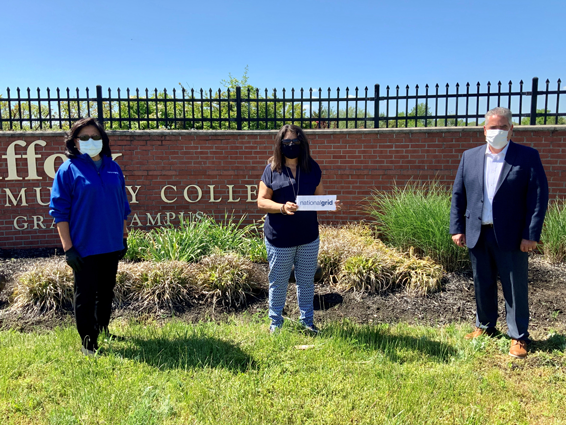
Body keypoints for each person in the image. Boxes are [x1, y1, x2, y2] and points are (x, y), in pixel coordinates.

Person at [449, 107, 548, 358]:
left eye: (503, 127)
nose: (497, 132)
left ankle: (518, 336)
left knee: (515, 286)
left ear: (511, 129)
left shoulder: (526, 157)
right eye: (492, 127)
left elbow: (537, 198)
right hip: (477, 232)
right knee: (482, 281)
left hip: (513, 236)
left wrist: (531, 234)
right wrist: (457, 228)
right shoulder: (469, 157)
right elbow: (458, 196)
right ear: (484, 130)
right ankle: (485, 325)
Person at [49, 117, 131, 356]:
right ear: (75, 142)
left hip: (111, 242)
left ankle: (102, 328)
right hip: (83, 246)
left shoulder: (113, 167)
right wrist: (68, 248)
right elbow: (59, 211)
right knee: (85, 294)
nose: (90, 141)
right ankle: (88, 342)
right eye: (84, 137)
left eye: (95, 137)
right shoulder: (68, 170)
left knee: (106, 290)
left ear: (103, 140)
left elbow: (122, 204)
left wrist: (124, 236)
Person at [258, 124, 340, 334]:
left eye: (295, 142)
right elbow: (261, 202)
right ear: (280, 145)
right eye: (287, 143)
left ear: (302, 144)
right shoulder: (271, 169)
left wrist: (329, 204)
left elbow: (319, 197)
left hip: (307, 237)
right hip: (280, 238)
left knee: (306, 281)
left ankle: (307, 322)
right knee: (278, 282)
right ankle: (275, 323)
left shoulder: (312, 167)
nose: (291, 146)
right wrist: (282, 208)